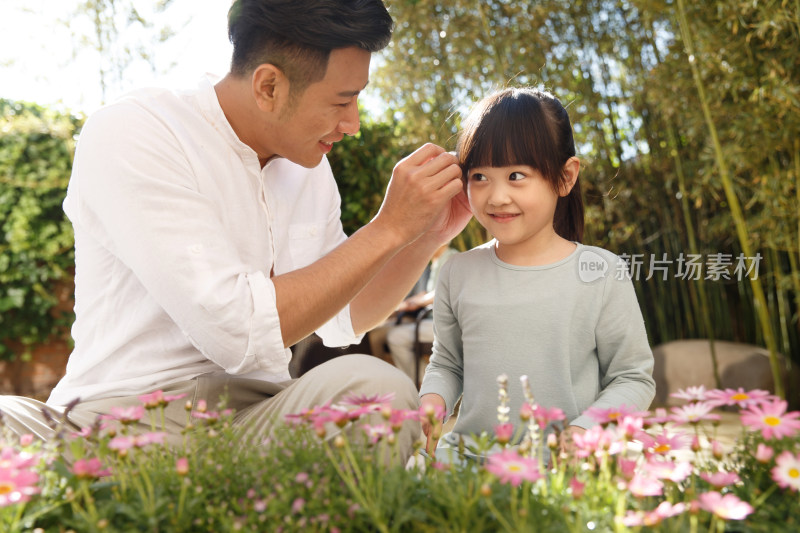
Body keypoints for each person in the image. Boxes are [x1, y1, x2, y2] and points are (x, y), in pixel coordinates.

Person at [0, 0, 472, 461]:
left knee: (381, 393)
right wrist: (387, 227)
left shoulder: (308, 166)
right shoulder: (136, 131)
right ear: (269, 86)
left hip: (252, 421)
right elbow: (237, 330)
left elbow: (345, 314)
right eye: (342, 101)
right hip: (112, 422)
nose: (354, 124)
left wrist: (424, 234)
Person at [418, 87, 655, 460]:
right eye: (479, 176)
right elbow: (448, 363)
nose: (496, 196)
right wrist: (432, 400)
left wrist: (584, 432)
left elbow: (632, 378)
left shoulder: (600, 273)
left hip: (564, 472)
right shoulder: (457, 271)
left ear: (565, 177)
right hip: (470, 467)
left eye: (516, 175)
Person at [386, 242, 457, 384]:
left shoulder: (453, 258)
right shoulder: (436, 262)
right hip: (432, 321)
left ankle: (428, 383)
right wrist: (405, 305)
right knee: (391, 328)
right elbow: (427, 293)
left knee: (396, 337)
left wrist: (419, 302)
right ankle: (430, 381)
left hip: (447, 325)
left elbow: (441, 291)